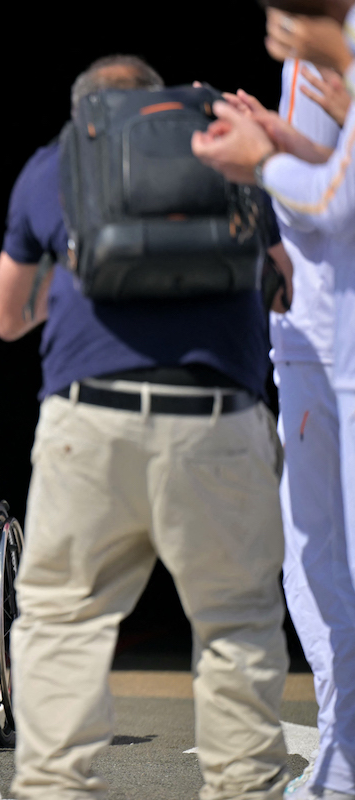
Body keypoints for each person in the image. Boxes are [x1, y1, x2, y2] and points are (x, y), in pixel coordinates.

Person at [0, 55, 290, 799]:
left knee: (66, 622)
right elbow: (283, 282)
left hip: (89, 422)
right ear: (159, 105)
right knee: (236, 625)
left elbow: (7, 317)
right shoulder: (228, 150)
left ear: (85, 115)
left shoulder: (52, 165)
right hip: (219, 422)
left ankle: (57, 789)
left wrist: (65, 287)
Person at [191, 6, 355, 797]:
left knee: (328, 560)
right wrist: (275, 139)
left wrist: (261, 161)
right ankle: (342, 748)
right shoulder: (313, 59)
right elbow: (334, 171)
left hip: (336, 342)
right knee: (314, 560)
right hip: (312, 341)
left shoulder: (339, 51)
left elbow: (340, 203)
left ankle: (345, 755)